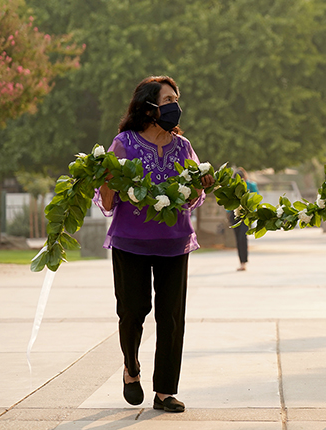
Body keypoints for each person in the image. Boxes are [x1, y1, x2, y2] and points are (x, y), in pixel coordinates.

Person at [95, 76, 214, 413]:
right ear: (148, 107)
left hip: (174, 242)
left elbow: (192, 197)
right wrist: (106, 179)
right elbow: (107, 201)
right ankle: (131, 368)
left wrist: (200, 183)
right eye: (166, 100)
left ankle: (165, 391)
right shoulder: (124, 143)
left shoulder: (183, 146)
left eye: (176, 99)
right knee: (132, 311)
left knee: (172, 317)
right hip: (129, 241)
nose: (174, 106)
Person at [228, 168, 258, 270]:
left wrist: (252, 213)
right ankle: (241, 262)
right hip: (234, 214)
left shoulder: (251, 185)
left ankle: (244, 262)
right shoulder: (231, 186)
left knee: (242, 237)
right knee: (238, 239)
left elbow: (256, 199)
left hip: (246, 214)